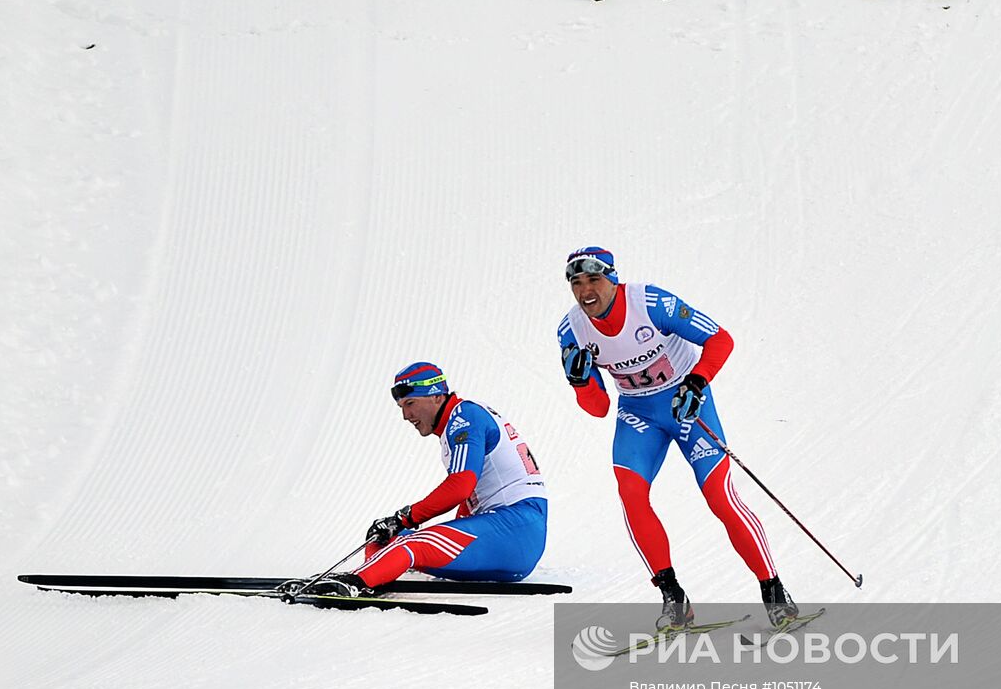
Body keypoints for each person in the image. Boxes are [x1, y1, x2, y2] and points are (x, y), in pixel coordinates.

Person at [556, 245, 797, 630]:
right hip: (638, 413)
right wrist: (579, 380)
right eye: (577, 282)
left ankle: (774, 591)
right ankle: (673, 597)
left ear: (613, 279)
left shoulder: (651, 303)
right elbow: (599, 408)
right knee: (631, 495)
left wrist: (697, 383)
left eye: (594, 279)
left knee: (719, 496)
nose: (586, 290)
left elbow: (721, 340)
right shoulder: (571, 330)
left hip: (686, 404)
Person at [311, 361, 549, 596]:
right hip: (508, 532)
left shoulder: (465, 417)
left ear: (436, 396)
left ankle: (356, 582)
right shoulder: (459, 422)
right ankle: (375, 571)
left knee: (409, 543)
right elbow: (470, 500)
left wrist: (406, 517)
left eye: (410, 403)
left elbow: (460, 488)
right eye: (401, 407)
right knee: (386, 537)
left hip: (518, 528)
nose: (406, 415)